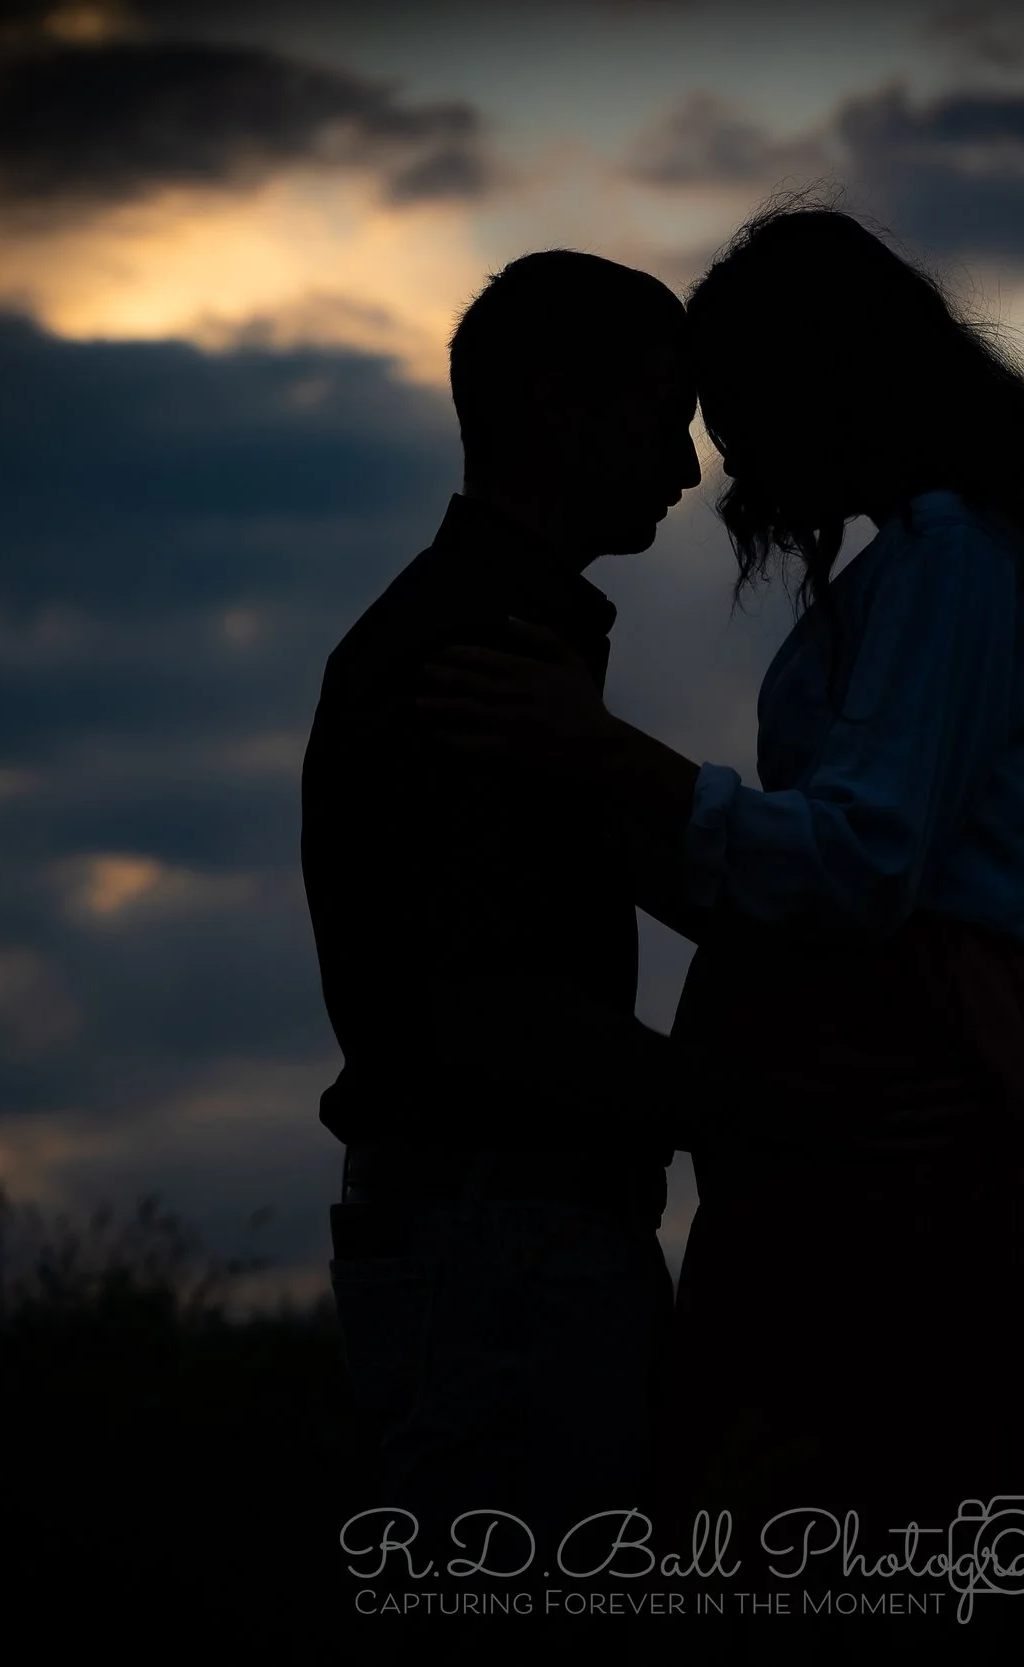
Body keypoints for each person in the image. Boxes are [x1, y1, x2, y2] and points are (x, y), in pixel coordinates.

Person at [418, 207, 1024, 1659]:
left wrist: (603, 759)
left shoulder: (953, 562)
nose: (718, 455)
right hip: (871, 1045)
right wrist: (604, 803)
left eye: (734, 407)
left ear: (822, 387)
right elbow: (821, 863)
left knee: (883, 1465)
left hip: (906, 1053)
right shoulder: (920, 565)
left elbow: (862, 859)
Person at [300, 249, 705, 1585]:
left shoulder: (485, 639)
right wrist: (745, 1105)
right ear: (557, 408)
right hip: (506, 1254)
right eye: (665, 419)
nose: (689, 466)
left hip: (498, 1244)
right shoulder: (469, 654)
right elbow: (482, 1006)